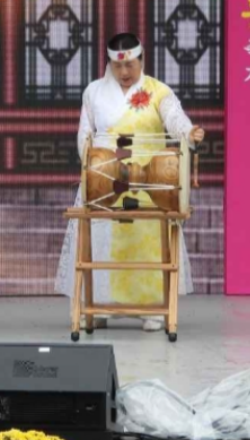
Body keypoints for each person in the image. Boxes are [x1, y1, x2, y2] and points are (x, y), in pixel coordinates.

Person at [53, 32, 205, 332]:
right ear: (109, 64)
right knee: (101, 243)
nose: (124, 72)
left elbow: (175, 119)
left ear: (141, 60)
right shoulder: (94, 92)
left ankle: (152, 309)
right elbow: (85, 134)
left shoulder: (158, 91)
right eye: (118, 66)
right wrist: (94, 164)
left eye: (130, 65)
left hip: (149, 181)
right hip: (104, 181)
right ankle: (98, 307)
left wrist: (189, 133)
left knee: (146, 245)